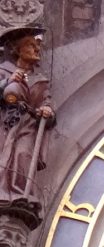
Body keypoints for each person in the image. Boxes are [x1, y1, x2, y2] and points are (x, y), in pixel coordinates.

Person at [0, 26, 54, 201]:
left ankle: (21, 194)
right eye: (31, 45)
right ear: (18, 49)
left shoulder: (40, 80)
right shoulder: (3, 71)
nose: (37, 49)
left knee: (24, 155)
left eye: (36, 46)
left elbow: (46, 101)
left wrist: (47, 110)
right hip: (6, 122)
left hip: (28, 125)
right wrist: (8, 81)